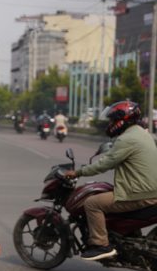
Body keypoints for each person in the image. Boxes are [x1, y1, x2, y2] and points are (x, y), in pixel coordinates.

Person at [64, 101, 157, 260]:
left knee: (92, 203)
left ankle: (101, 244)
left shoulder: (126, 139)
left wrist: (78, 172)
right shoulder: (142, 133)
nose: (110, 124)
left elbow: (104, 164)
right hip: (148, 189)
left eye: (112, 120)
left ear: (122, 120)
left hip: (139, 193)